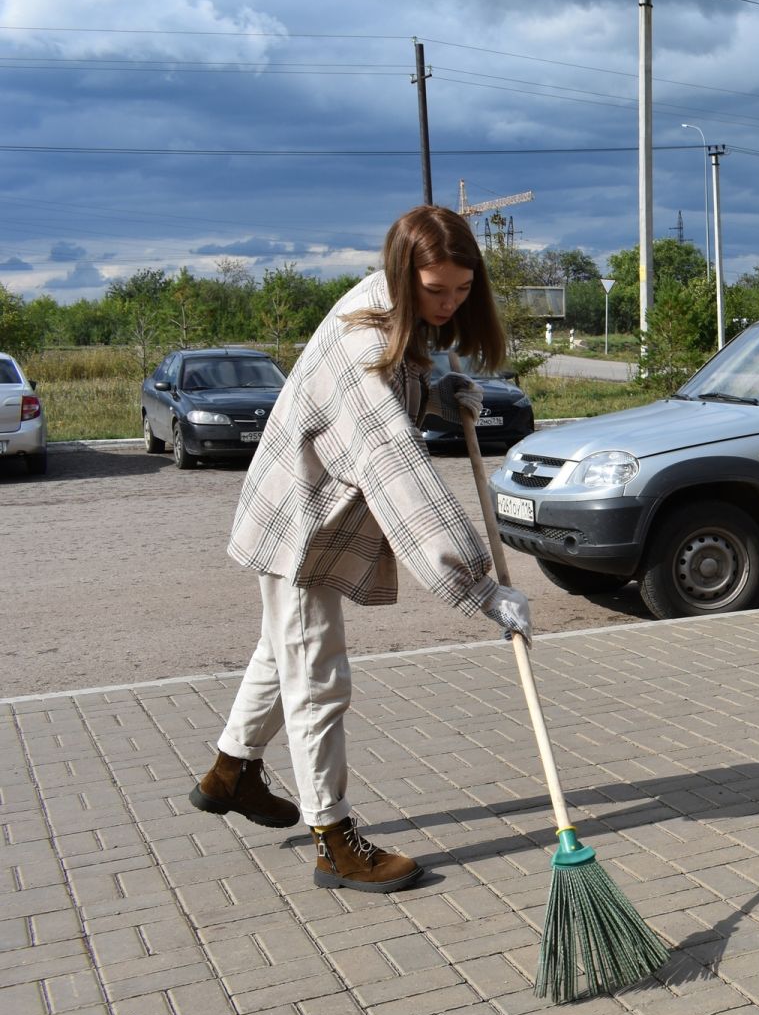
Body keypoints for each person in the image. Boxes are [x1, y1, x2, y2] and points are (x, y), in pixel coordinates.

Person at [187, 205, 532, 891]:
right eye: (436, 291)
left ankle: (230, 772)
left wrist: (438, 391)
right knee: (317, 677)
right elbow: (396, 468)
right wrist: (483, 588)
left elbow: (397, 395)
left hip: (306, 511)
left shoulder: (387, 309)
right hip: (302, 526)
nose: (448, 304)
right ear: (405, 275)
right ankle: (333, 841)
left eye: (462, 291)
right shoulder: (360, 344)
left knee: (281, 651)